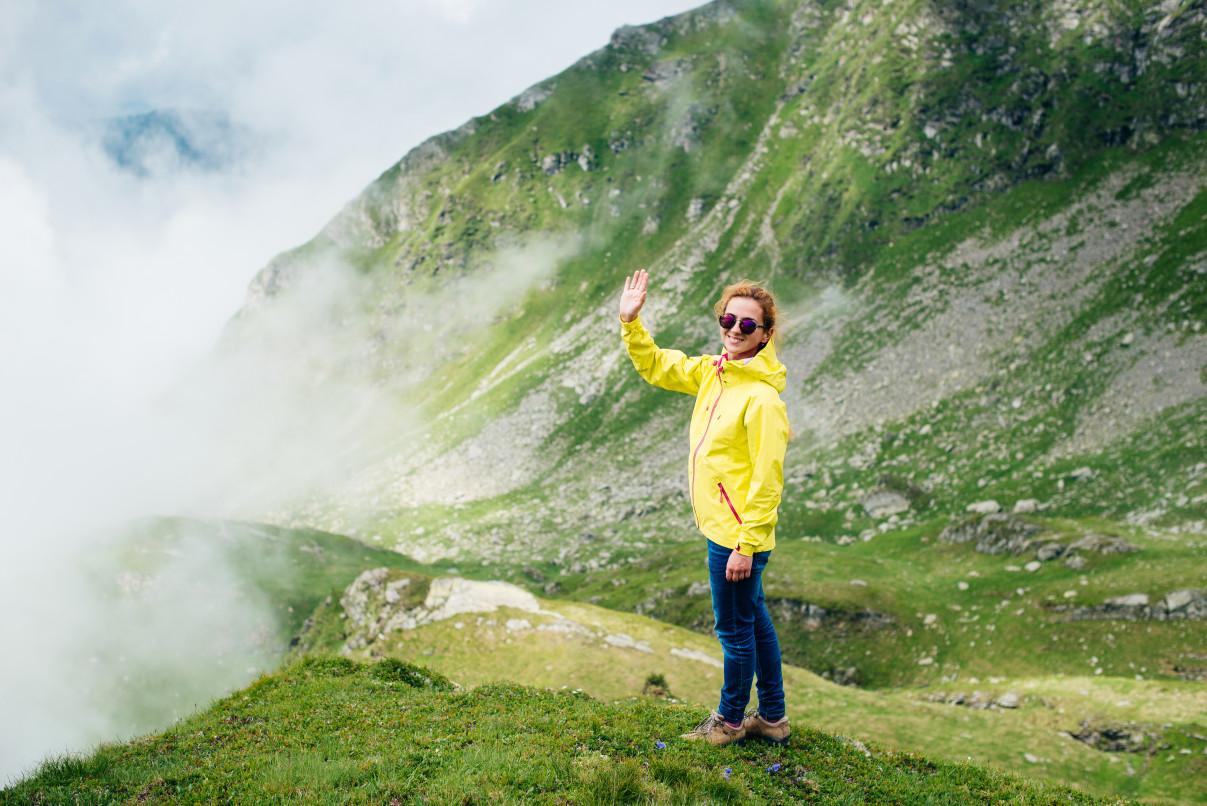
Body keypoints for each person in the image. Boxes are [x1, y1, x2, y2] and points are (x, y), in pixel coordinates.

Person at [618, 269, 791, 747]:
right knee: (754, 621)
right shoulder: (715, 373)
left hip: (736, 538)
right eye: (728, 318)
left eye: (748, 325)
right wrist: (631, 322)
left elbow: (767, 481)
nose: (735, 329)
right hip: (728, 530)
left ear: (765, 335)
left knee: (734, 631)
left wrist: (745, 545)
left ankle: (730, 722)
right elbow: (658, 366)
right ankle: (772, 717)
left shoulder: (761, 400)